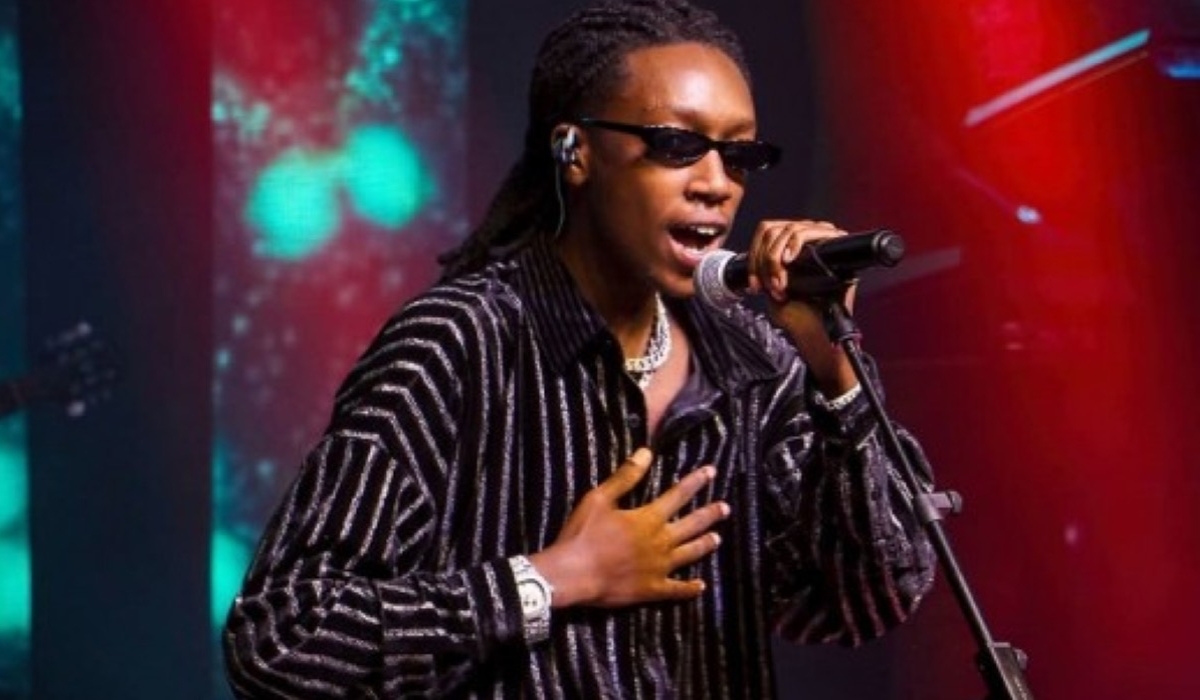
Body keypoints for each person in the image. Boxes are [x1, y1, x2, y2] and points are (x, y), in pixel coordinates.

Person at [223, 0, 936, 697]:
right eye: (677, 146)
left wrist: (835, 375)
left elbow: (864, 601)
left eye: (740, 155)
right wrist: (550, 580)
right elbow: (282, 639)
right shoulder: (457, 346)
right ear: (575, 151)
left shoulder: (754, 362)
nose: (716, 184)